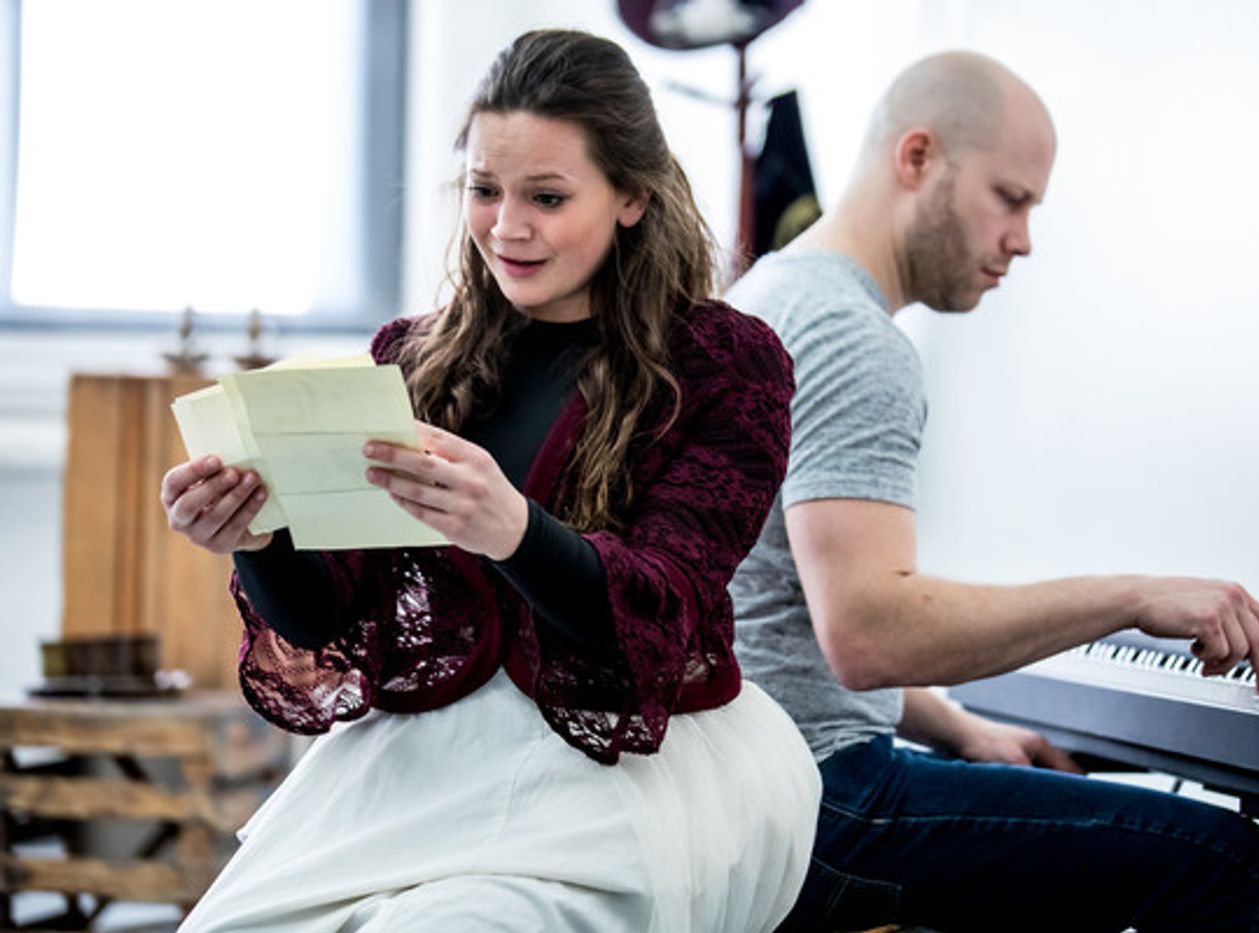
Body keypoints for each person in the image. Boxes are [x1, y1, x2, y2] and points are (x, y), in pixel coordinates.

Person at [159, 29, 818, 933]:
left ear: (632, 195)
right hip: (419, 765)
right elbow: (324, 615)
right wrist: (259, 537)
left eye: (548, 197)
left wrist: (512, 529)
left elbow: (662, 611)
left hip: (614, 768)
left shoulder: (724, 364)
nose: (507, 226)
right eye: (483, 189)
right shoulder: (412, 358)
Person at [726, 50, 1259, 933]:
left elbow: (795, 614)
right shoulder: (854, 339)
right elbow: (869, 631)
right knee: (1230, 864)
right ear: (916, 158)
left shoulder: (768, 293)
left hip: (756, 788)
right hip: (826, 801)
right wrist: (1133, 595)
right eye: (1011, 197)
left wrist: (959, 729)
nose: (1024, 238)